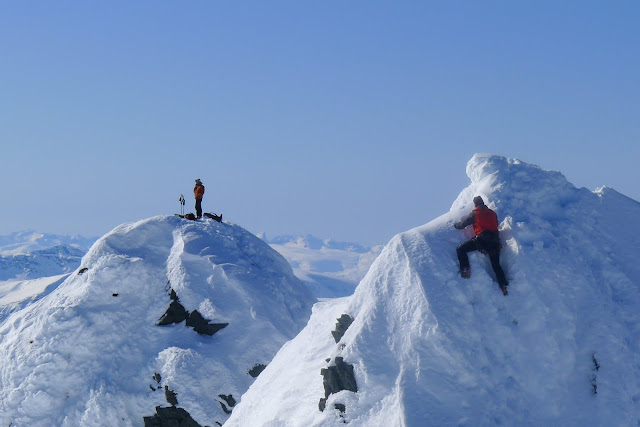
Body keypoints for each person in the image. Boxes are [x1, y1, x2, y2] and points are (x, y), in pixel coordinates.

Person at [454, 196, 509, 295]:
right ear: (483, 203)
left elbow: (463, 224)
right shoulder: (492, 213)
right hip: (495, 242)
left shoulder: (475, 213)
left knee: (461, 249)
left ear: (475, 204)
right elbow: (495, 224)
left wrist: (455, 225)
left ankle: (466, 269)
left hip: (483, 239)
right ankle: (503, 285)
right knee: (496, 265)